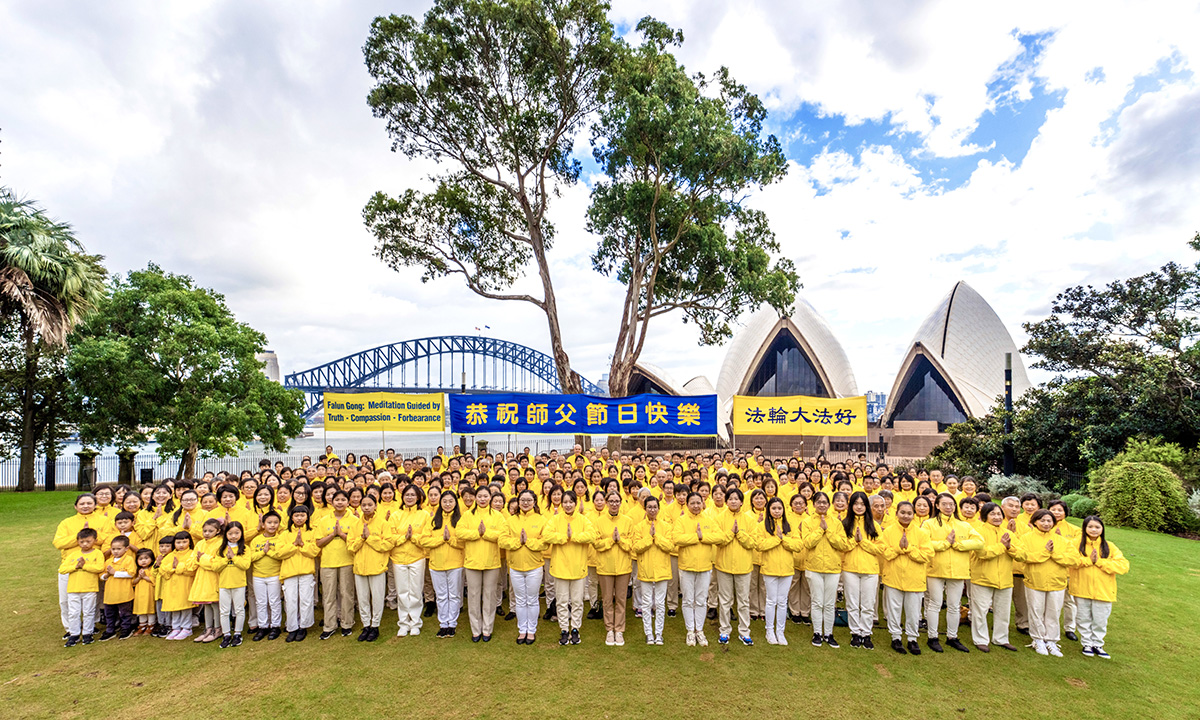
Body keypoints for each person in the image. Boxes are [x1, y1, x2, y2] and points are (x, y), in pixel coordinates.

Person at [922, 492, 983, 653]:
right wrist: (945, 544)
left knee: (954, 605)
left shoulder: (964, 525)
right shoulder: (929, 524)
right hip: (935, 570)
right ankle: (932, 637)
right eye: (944, 504)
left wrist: (959, 544)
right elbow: (924, 543)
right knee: (935, 604)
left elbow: (979, 542)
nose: (948, 507)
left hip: (958, 571)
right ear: (937, 505)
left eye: (951, 504)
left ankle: (952, 637)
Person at [1016, 509, 1079, 656]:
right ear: (1035, 522)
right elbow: (1021, 556)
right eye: (1042, 520)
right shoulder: (1026, 538)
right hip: (1035, 581)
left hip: (1057, 582)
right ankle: (1037, 639)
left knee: (1053, 612)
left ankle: (1051, 640)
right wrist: (1044, 553)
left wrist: (1054, 555)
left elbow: (1074, 560)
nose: (1046, 523)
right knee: (1036, 611)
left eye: (1049, 521)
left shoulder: (1062, 541)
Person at [543, 490, 598, 645]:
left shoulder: (583, 520)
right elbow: (546, 535)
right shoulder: (555, 519)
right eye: (565, 502)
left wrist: (573, 537)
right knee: (561, 601)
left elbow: (591, 535)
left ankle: (575, 629)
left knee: (577, 601)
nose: (568, 505)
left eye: (570, 502)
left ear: (575, 503)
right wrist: (562, 538)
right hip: (560, 567)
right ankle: (564, 629)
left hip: (578, 567)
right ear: (561, 503)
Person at [1070, 516, 1129, 659]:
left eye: (1097, 527)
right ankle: (1087, 643)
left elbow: (1123, 566)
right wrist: (1089, 561)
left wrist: (1100, 562)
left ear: (1102, 529)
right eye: (1090, 527)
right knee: (1083, 617)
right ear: (1084, 528)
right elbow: (1070, 561)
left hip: (1104, 590)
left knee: (1100, 619)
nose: (1094, 530)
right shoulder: (1076, 544)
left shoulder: (1109, 546)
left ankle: (1098, 643)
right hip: (1082, 587)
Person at [672, 492, 727, 647]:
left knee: (701, 600)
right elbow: (677, 539)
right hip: (687, 566)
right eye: (692, 503)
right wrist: (696, 537)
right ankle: (690, 631)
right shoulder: (681, 520)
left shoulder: (709, 520)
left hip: (704, 566)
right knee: (688, 600)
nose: (696, 506)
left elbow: (720, 537)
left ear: (703, 503)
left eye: (698, 502)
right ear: (687, 504)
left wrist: (703, 537)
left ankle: (699, 630)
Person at [830, 491, 883, 650]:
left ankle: (866, 633)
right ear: (850, 505)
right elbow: (841, 546)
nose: (859, 507)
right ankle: (855, 633)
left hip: (870, 569)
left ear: (866, 506)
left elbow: (880, 549)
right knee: (852, 603)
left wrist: (863, 542)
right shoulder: (844, 524)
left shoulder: (874, 525)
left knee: (868, 604)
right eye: (856, 504)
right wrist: (855, 541)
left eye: (862, 504)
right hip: (850, 569)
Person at [880, 501, 933, 655]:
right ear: (897, 514)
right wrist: (898, 548)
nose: (905, 516)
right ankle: (895, 636)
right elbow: (886, 553)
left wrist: (908, 549)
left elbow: (927, 555)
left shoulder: (922, 533)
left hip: (914, 578)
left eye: (909, 513)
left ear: (913, 515)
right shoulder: (889, 531)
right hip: (893, 576)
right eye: (902, 512)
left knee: (913, 611)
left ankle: (912, 638)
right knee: (894, 609)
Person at [969, 502, 1021, 652]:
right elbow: (982, 553)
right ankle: (980, 639)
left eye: (999, 514)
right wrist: (1001, 547)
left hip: (1004, 579)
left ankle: (1001, 638)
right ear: (985, 516)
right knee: (980, 611)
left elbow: (1023, 555)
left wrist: (1010, 547)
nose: (997, 517)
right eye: (993, 514)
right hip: (982, 577)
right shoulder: (977, 532)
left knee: (1003, 611)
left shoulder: (1009, 534)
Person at [500, 489, 547, 644]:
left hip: (534, 566)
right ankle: (522, 630)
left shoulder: (541, 519)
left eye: (529, 500)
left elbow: (545, 542)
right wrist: (517, 542)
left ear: (534, 502)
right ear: (518, 502)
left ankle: (531, 630)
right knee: (520, 599)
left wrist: (528, 542)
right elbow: (502, 540)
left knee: (532, 599)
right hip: (515, 566)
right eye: (523, 500)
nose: (525, 503)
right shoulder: (511, 520)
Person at [457, 484, 504, 642]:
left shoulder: (497, 516)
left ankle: (487, 629)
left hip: (492, 562)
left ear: (490, 498)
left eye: (485, 496)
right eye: (480, 496)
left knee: (490, 596)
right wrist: (477, 533)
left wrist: (487, 533)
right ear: (475, 498)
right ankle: (475, 629)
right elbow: (459, 532)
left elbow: (503, 534)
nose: (483, 499)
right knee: (474, 595)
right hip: (472, 562)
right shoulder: (468, 515)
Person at [756, 497, 803, 645]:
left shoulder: (789, 526)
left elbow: (798, 545)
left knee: (782, 602)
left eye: (779, 508)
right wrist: (777, 539)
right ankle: (769, 630)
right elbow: (760, 545)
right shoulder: (762, 526)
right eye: (774, 508)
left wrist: (783, 539)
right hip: (770, 568)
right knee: (771, 600)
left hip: (787, 569)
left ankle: (780, 632)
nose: (777, 511)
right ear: (768, 509)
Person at [348, 495, 393, 642]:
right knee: (363, 599)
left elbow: (387, 544)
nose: (366, 507)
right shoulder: (355, 525)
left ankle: (375, 626)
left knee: (378, 598)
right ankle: (366, 625)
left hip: (377, 567)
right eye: (364, 505)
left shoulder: (383, 523)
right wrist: (362, 538)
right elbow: (350, 547)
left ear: (375, 506)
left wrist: (370, 538)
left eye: (369, 504)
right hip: (360, 567)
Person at [713, 488, 756, 646]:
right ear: (726, 501)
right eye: (730, 498)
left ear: (741, 502)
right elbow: (719, 540)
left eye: (736, 499)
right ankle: (724, 630)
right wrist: (731, 533)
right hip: (724, 566)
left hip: (744, 567)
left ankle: (744, 631)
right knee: (725, 601)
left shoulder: (749, 520)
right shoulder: (719, 518)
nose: (733, 501)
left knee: (743, 601)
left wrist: (740, 534)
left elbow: (753, 543)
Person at [420, 490, 466, 638]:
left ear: (455, 503)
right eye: (444, 501)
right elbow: (424, 540)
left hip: (455, 563)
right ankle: (443, 623)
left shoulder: (461, 519)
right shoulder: (433, 520)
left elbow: (464, 543)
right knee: (441, 595)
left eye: (450, 501)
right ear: (440, 502)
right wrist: (441, 539)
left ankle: (452, 623)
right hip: (436, 563)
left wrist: (450, 540)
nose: (447, 504)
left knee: (453, 595)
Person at [801, 492, 843, 648]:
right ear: (813, 504)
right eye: (819, 502)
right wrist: (820, 530)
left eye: (825, 502)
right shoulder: (807, 522)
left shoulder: (837, 523)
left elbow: (841, 544)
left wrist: (828, 531)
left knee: (830, 603)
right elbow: (808, 543)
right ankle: (817, 632)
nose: (822, 505)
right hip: (814, 567)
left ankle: (829, 633)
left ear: (829, 504)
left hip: (832, 568)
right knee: (817, 601)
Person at [592, 491, 634, 646]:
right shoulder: (599, 521)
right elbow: (596, 543)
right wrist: (611, 540)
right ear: (606, 502)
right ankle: (609, 629)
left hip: (623, 567)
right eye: (611, 501)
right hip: (605, 567)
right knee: (607, 599)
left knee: (621, 600)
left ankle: (619, 630)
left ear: (621, 502)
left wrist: (620, 541)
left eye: (617, 501)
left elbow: (631, 544)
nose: (614, 504)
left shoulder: (628, 521)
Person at [314, 490, 357, 640]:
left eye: (343, 499)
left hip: (347, 561)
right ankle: (329, 625)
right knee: (329, 595)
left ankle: (347, 623)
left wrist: (342, 535)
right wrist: (333, 535)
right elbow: (318, 542)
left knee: (347, 594)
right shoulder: (324, 520)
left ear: (348, 502)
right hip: (328, 562)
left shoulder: (354, 520)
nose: (339, 502)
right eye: (336, 499)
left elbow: (356, 542)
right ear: (331, 502)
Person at [631, 496, 674, 645]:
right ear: (645, 508)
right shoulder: (638, 527)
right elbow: (636, 547)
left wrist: (656, 536)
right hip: (646, 569)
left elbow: (670, 546)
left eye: (655, 507)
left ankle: (659, 633)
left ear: (659, 508)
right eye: (649, 507)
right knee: (646, 603)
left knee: (661, 604)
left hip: (662, 570)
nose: (652, 509)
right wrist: (649, 538)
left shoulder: (666, 526)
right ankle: (649, 633)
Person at [388, 484, 429, 637]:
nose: (410, 497)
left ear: (418, 497)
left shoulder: (424, 515)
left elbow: (425, 537)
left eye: (413, 495)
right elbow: (390, 537)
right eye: (407, 495)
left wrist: (413, 537)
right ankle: (404, 623)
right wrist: (403, 538)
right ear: (402, 496)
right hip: (398, 558)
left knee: (416, 591)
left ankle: (415, 622)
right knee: (402, 592)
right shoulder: (395, 515)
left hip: (417, 557)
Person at [205, 520, 251, 648]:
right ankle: (226, 634)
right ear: (226, 534)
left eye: (237, 533)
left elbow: (245, 565)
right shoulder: (221, 549)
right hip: (224, 584)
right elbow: (215, 567)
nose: (234, 536)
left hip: (239, 584)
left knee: (239, 609)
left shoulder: (245, 548)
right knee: (224, 611)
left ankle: (237, 633)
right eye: (230, 533)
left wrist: (234, 558)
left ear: (241, 533)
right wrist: (227, 559)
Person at [278, 506, 319, 643]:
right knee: (291, 601)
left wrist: (302, 545)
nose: (299, 518)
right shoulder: (284, 534)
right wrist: (294, 545)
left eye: (302, 515)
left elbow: (314, 551)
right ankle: (292, 627)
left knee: (306, 600)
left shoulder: (312, 532)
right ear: (292, 517)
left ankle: (303, 626)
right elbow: (280, 553)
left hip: (306, 571)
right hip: (289, 572)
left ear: (307, 517)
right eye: (297, 515)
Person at [59, 527, 105, 646]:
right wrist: (76, 566)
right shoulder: (74, 555)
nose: (84, 544)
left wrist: (84, 566)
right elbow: (62, 569)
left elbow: (99, 568)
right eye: (81, 542)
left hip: (89, 588)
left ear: (95, 540)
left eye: (88, 541)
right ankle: (74, 634)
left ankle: (87, 633)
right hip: (73, 589)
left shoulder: (97, 553)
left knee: (88, 611)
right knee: (73, 612)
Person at [249, 511, 285, 641]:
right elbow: (251, 557)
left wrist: (268, 552)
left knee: (274, 601)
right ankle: (263, 626)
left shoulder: (280, 538)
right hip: (258, 575)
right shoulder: (256, 540)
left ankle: (275, 626)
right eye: (269, 522)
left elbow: (281, 555)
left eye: (275, 523)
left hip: (274, 574)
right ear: (263, 524)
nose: (272, 525)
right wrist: (262, 553)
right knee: (261, 602)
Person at [159, 531, 197, 640]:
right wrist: (174, 568)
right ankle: (175, 627)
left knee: (185, 607)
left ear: (189, 542)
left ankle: (186, 628)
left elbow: (191, 569)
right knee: (174, 607)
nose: (181, 545)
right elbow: (163, 569)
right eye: (178, 542)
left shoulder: (191, 554)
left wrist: (177, 567)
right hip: (171, 586)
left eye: (184, 542)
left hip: (185, 585)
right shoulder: (171, 555)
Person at [99, 535, 137, 641]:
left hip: (123, 592)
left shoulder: (129, 559)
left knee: (125, 613)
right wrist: (106, 575)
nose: (115, 551)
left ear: (126, 548)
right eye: (113, 549)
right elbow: (101, 576)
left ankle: (126, 628)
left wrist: (115, 573)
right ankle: (110, 630)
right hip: (110, 593)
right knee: (109, 613)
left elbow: (131, 573)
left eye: (118, 549)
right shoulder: (108, 562)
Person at [131, 548, 158, 636]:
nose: (143, 561)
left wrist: (145, 577)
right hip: (139, 593)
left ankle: (151, 625)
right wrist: (139, 577)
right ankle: (142, 625)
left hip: (149, 592)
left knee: (150, 609)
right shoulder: (137, 570)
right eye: (140, 559)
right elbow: (133, 582)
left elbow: (154, 580)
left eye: (146, 558)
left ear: (152, 559)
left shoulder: (152, 569)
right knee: (141, 609)